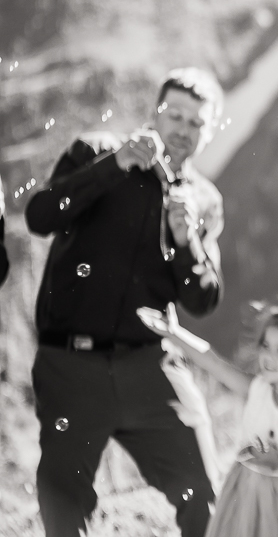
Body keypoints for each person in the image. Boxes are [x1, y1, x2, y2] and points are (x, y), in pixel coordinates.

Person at [25, 68, 225, 537]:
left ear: (209, 133)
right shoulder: (96, 150)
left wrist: (186, 242)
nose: (183, 128)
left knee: (202, 491)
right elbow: (40, 215)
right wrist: (114, 166)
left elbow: (204, 300)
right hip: (70, 364)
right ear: (155, 112)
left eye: (196, 123)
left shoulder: (205, 200)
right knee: (63, 502)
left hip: (151, 367)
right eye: (175, 114)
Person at [137, 300, 278, 536]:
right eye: (266, 345)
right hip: (247, 490)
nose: (268, 356)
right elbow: (213, 362)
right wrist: (173, 333)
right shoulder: (257, 389)